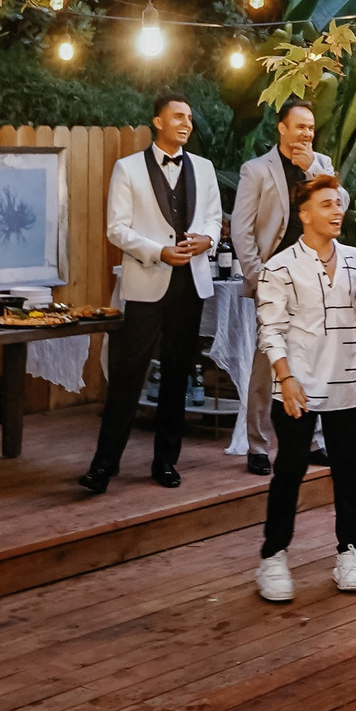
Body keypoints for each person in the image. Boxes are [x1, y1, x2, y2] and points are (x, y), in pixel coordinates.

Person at [84, 92, 225, 492]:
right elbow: (117, 228)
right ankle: (103, 466)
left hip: (191, 284)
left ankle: (166, 462)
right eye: (178, 116)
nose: (186, 123)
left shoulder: (205, 168)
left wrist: (206, 240)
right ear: (157, 122)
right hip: (148, 281)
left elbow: (214, 218)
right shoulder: (127, 169)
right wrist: (158, 251)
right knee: (128, 376)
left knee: (179, 377)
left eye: (190, 117)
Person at [252, 174, 356, 602]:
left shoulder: (355, 260)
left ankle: (350, 550)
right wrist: (285, 379)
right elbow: (270, 330)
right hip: (298, 386)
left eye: (338, 204)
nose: (337, 211)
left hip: (349, 385)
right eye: (326, 205)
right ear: (304, 214)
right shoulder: (279, 266)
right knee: (289, 470)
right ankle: (273, 556)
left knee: (350, 472)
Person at [233, 98, 333, 477]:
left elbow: (338, 206)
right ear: (282, 128)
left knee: (312, 358)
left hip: (313, 277)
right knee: (265, 365)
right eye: (300, 126)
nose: (306, 133)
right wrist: (257, 277)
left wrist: (313, 172)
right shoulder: (256, 170)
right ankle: (258, 445)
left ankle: (312, 440)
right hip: (273, 278)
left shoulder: (321, 166)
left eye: (311, 127)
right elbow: (242, 229)